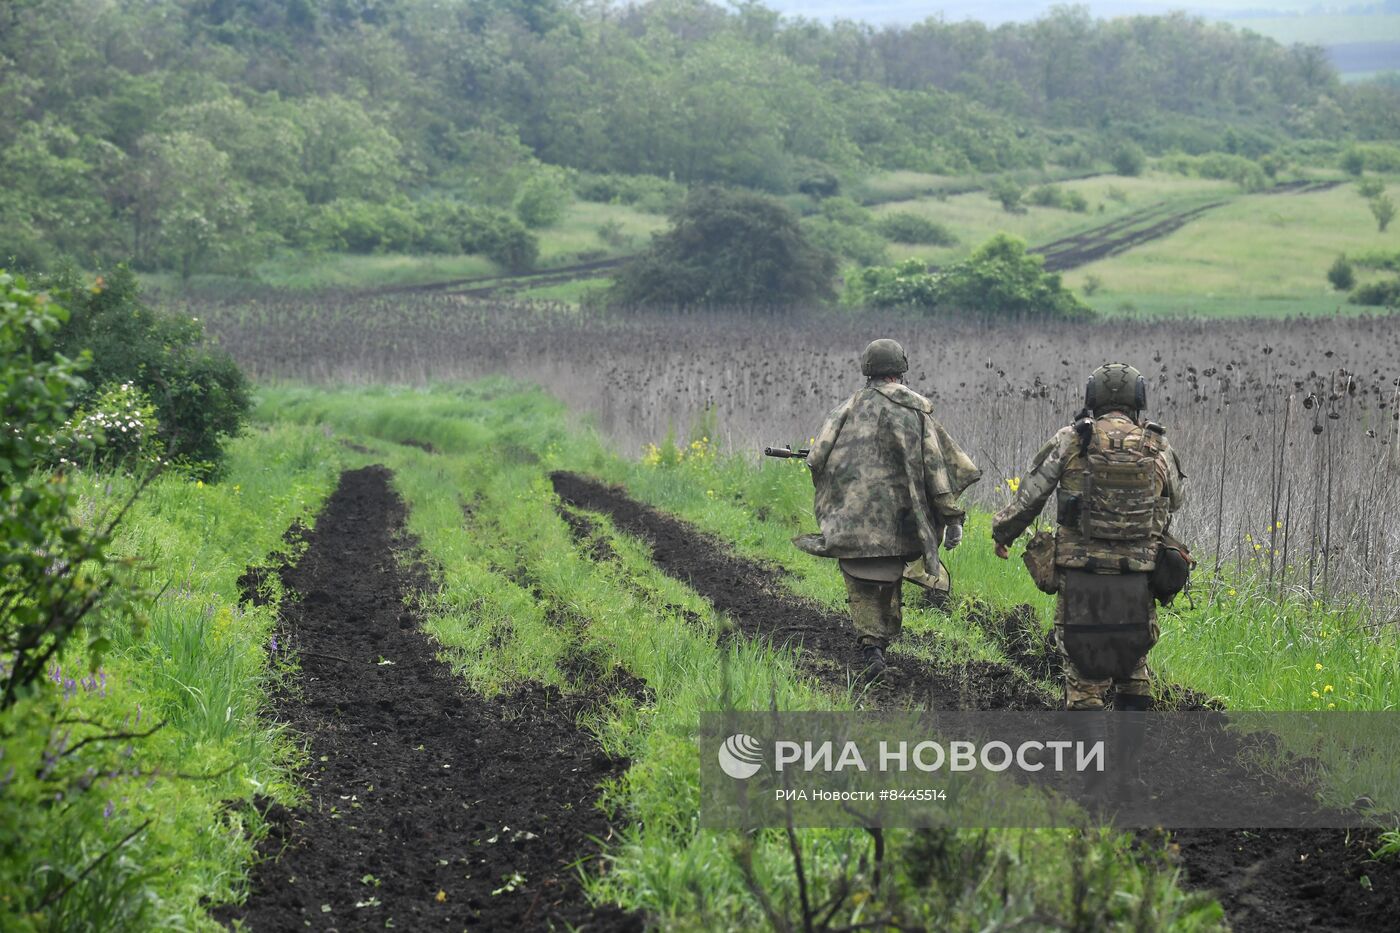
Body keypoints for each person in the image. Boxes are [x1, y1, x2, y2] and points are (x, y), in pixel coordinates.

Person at [990, 363, 1186, 714]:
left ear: (1092, 398)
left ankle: (1090, 767)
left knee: (1083, 679)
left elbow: (1031, 495)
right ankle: (1126, 767)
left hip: (1081, 576)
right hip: (1137, 577)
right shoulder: (1156, 444)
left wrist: (1003, 533)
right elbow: (1177, 499)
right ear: (1137, 401)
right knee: (1133, 667)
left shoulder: (1072, 439)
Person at [794, 339, 981, 675]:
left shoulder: (845, 409)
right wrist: (953, 518)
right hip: (900, 523)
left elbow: (816, 460)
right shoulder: (916, 413)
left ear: (868, 371)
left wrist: (838, 500)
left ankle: (871, 649)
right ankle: (876, 648)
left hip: (851, 523)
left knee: (862, 581)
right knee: (889, 574)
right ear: (900, 371)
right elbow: (941, 470)